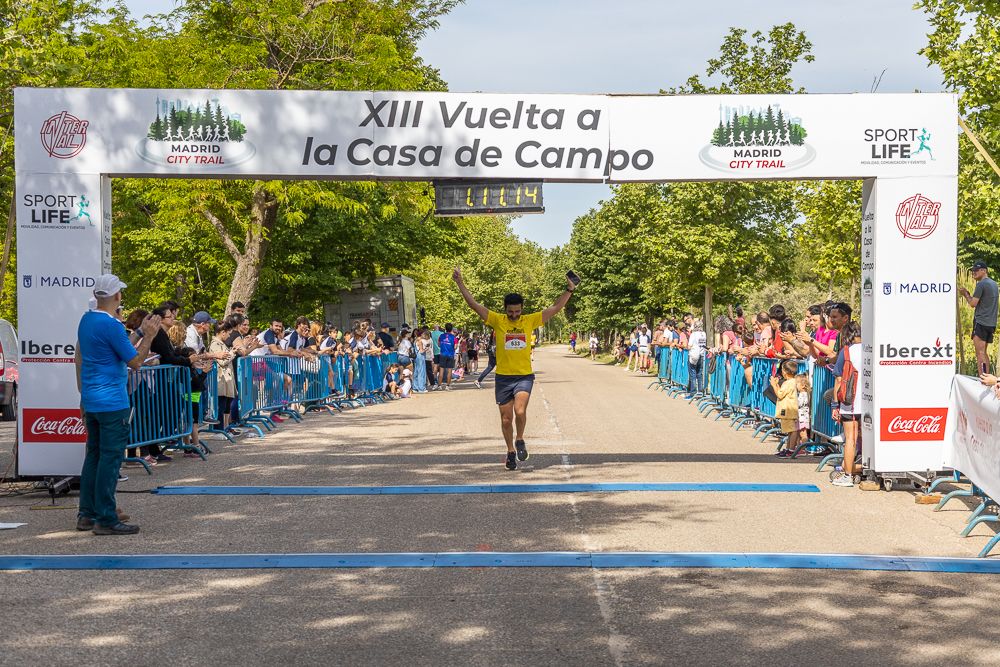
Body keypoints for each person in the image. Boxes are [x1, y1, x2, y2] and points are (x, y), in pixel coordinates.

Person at [454, 266, 575, 470]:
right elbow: (473, 304)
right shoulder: (497, 320)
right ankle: (510, 450)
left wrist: (569, 290)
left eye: (517, 311)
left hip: (523, 376)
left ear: (522, 309)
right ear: (505, 310)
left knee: (520, 411)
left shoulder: (529, 321)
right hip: (503, 377)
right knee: (506, 418)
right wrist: (460, 283)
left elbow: (555, 308)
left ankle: (520, 439)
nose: (514, 314)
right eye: (510, 312)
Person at [76, 274, 160, 535]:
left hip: (92, 399)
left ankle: (87, 514)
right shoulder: (111, 325)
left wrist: (136, 333)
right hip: (112, 401)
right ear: (117, 296)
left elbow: (114, 347)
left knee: (94, 456)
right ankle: (106, 517)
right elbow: (134, 361)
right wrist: (148, 336)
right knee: (110, 460)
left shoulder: (87, 320)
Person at [831, 321, 863, 487]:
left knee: (850, 439)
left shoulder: (846, 351)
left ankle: (848, 475)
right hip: (869, 402)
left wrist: (834, 405)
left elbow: (838, 379)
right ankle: (866, 469)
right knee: (865, 439)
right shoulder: (870, 349)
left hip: (850, 401)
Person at [960, 260, 998, 374]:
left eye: (976, 270)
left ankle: (983, 379)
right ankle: (987, 377)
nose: (973, 273)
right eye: (973, 271)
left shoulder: (981, 284)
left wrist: (965, 294)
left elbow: (973, 304)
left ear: (984, 270)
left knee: (980, 353)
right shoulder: (994, 284)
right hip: (991, 323)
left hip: (981, 322)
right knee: (984, 352)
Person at [771, 360, 800, 457]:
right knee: (790, 431)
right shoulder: (791, 382)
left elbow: (779, 395)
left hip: (788, 410)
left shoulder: (788, 383)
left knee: (792, 430)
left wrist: (774, 385)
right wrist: (777, 385)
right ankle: (788, 448)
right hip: (789, 409)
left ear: (785, 371)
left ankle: (791, 449)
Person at [686, 320, 707, 397]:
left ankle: (693, 392)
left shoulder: (693, 334)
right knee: (699, 374)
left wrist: (687, 347)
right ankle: (700, 391)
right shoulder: (703, 334)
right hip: (701, 355)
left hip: (693, 355)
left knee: (692, 374)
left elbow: (690, 345)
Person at [435, 324, 456, 390]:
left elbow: (438, 344)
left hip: (443, 354)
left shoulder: (441, 336)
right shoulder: (453, 337)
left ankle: (439, 385)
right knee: (449, 371)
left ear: (445, 329)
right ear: (451, 329)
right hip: (450, 354)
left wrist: (443, 346)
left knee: (441, 370)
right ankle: (448, 385)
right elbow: (455, 347)